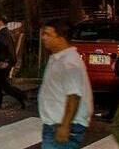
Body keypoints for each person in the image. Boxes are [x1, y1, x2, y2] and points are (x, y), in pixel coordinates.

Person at [38, 19, 93, 148]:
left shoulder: (69, 63)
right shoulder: (58, 58)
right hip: (55, 124)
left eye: (48, 34)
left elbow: (74, 96)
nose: (43, 37)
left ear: (61, 38)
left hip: (63, 125)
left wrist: (65, 126)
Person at [0, 15, 26, 109]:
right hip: (0, 63)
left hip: (2, 64)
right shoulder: (3, 33)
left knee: (4, 85)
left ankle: (21, 95)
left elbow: (3, 46)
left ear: (1, 22)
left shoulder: (3, 33)